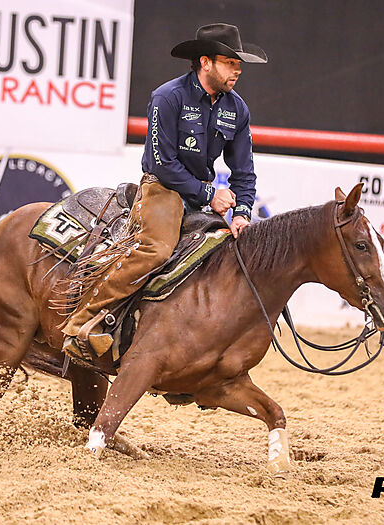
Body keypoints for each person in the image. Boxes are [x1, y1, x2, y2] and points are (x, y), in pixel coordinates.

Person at [63, 23, 267, 356]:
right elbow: (162, 165)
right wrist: (209, 195)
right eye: (230, 62)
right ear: (205, 62)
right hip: (163, 189)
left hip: (200, 193)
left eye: (238, 64)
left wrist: (243, 212)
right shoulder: (168, 97)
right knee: (155, 251)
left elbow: (244, 171)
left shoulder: (236, 109)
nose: (238, 70)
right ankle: (82, 323)